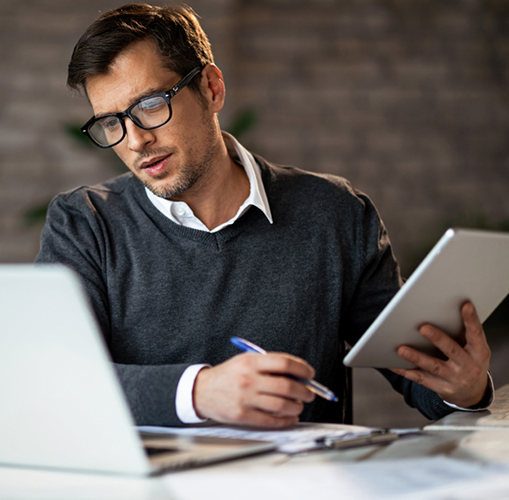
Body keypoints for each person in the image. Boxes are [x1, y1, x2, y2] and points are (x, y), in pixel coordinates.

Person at [35, 3, 492, 427]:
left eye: (150, 105)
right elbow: (53, 377)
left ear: (211, 89)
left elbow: (418, 374)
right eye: (112, 122)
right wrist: (199, 392)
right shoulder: (84, 223)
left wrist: (464, 389)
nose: (134, 141)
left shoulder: (336, 214)